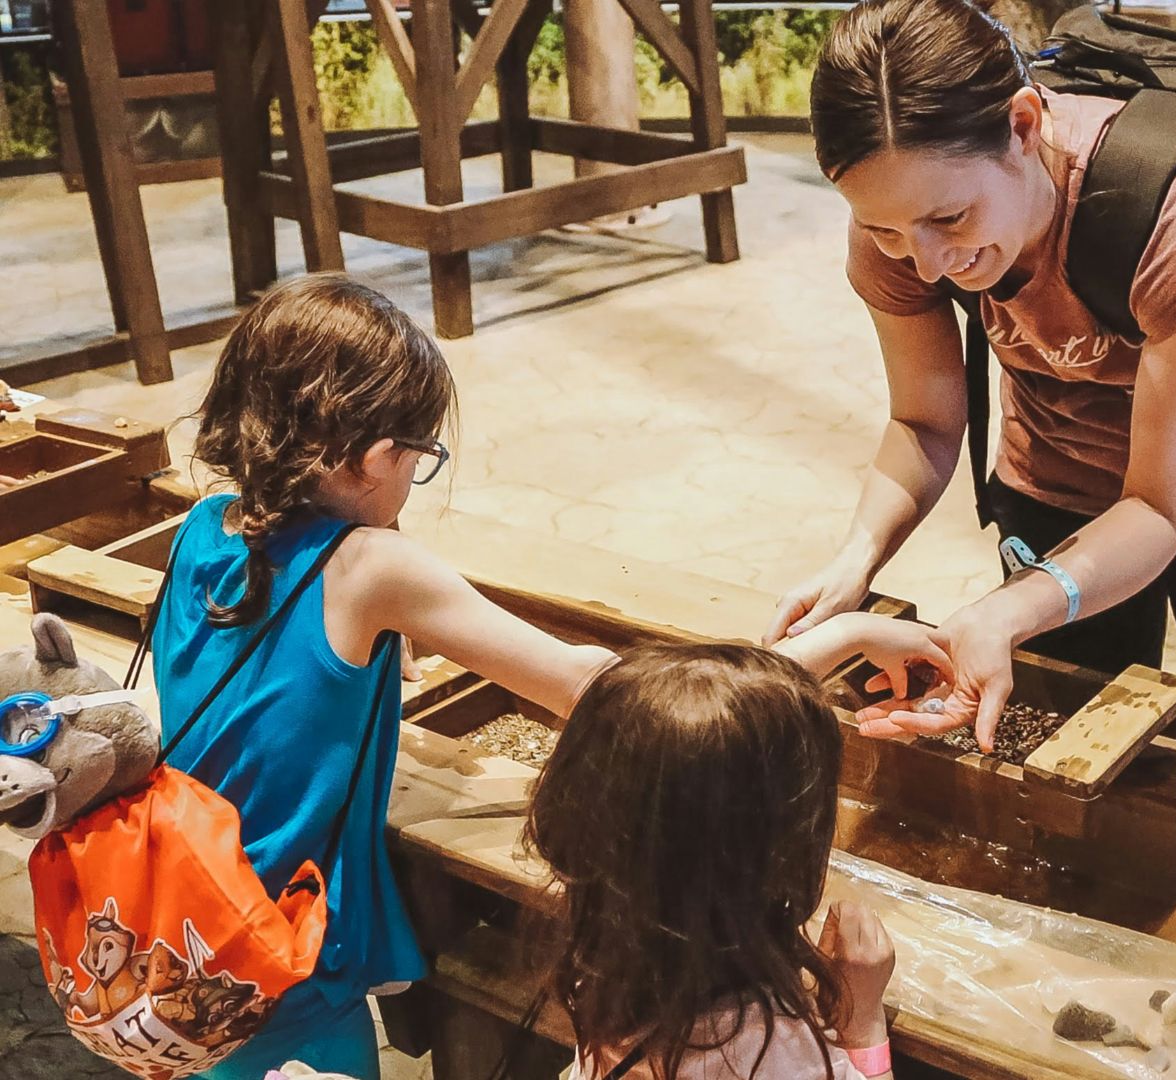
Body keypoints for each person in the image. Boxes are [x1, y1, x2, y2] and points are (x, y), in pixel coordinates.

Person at [156, 275, 940, 1078]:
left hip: (182, 911)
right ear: (376, 456)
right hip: (281, 950)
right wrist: (846, 634)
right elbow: (613, 692)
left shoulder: (202, 526)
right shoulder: (371, 567)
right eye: (421, 455)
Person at [768, 0, 1176, 749]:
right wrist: (857, 559)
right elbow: (923, 420)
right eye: (885, 230)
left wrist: (1009, 608)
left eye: (951, 219)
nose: (927, 264)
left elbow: (1158, 508)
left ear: (1023, 125)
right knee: (1062, 727)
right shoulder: (900, 217)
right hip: (1056, 474)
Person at [530, 642, 897, 1080]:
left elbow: (698, 728)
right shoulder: (772, 1055)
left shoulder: (603, 951)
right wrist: (863, 1019)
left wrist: (853, 634)